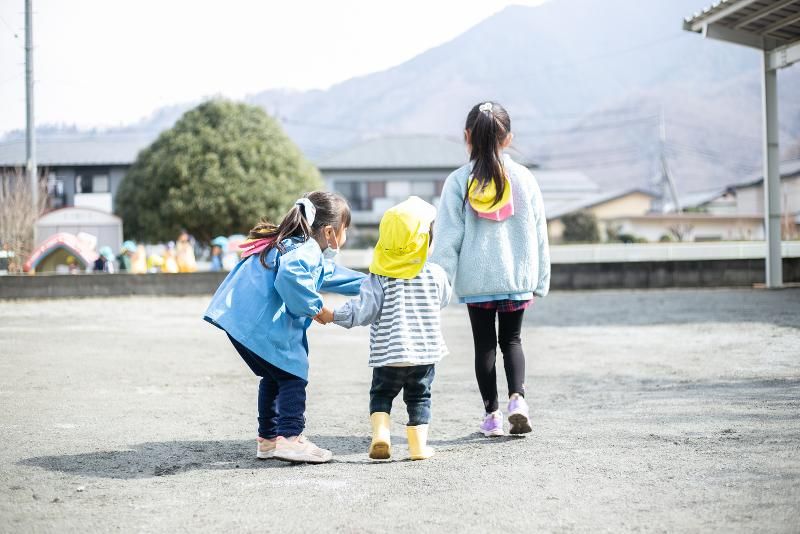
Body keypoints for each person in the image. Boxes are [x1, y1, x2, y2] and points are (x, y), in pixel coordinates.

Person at [204, 192, 364, 464]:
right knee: (293, 374)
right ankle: (291, 439)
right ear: (329, 232)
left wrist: (375, 283)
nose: (344, 235)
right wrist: (317, 308)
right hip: (260, 326)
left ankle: (267, 441)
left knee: (274, 377)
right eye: (344, 229)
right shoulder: (306, 249)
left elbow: (333, 275)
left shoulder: (289, 244)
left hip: (239, 324)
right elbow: (290, 276)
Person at [430, 101, 550, 437]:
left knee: (484, 346)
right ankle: (518, 400)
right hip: (516, 277)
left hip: (477, 281)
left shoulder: (458, 181)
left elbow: (446, 239)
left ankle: (493, 417)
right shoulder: (525, 178)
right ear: (508, 138)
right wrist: (540, 280)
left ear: (466, 136)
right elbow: (540, 232)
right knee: (512, 340)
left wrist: (438, 284)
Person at [316, 197, 451, 461]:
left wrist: (333, 315)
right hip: (424, 355)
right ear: (424, 241)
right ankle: (418, 447)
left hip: (388, 354)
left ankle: (381, 436)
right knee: (420, 398)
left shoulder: (378, 277)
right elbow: (443, 300)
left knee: (381, 394)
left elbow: (363, 310)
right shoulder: (435, 274)